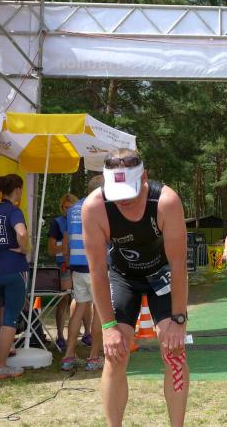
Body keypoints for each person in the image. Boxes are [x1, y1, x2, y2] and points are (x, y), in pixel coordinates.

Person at [83, 150, 189, 427]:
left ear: (144, 177)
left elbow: (178, 264)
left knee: (175, 352)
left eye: (129, 192)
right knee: (115, 353)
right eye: (117, 194)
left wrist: (178, 320)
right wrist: (108, 327)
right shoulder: (94, 207)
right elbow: (97, 271)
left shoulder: (166, 201)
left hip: (161, 274)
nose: (124, 201)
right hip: (122, 277)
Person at [0, 174, 28, 381]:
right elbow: (22, 233)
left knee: (3, 309)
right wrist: (23, 249)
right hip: (13, 271)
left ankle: (6, 349)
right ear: (17, 189)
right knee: (11, 318)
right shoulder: (14, 211)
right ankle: (0, 367)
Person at [61, 176, 105, 371]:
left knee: (79, 307)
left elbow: (67, 239)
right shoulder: (101, 206)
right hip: (95, 265)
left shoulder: (72, 209)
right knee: (100, 310)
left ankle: (68, 356)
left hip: (77, 264)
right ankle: (93, 357)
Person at [48, 193, 91, 351]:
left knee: (86, 301)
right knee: (64, 299)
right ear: (62, 208)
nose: (68, 210)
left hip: (81, 266)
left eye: (71, 207)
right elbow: (51, 249)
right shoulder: (57, 223)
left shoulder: (84, 218)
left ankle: (87, 334)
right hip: (64, 266)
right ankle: (60, 336)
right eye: (66, 208)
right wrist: (65, 248)